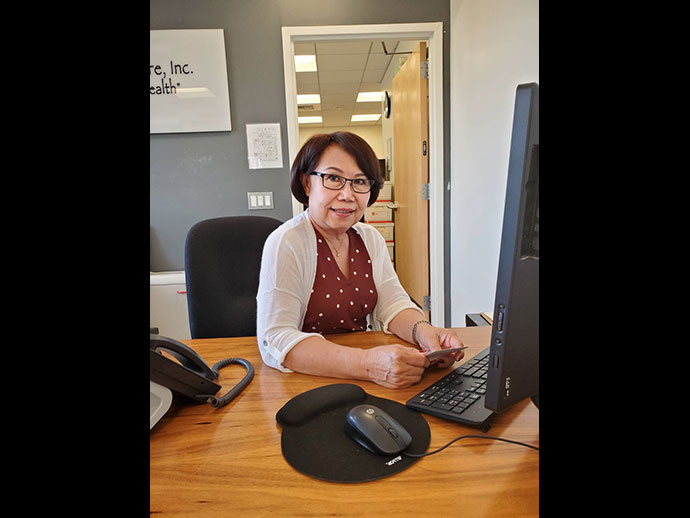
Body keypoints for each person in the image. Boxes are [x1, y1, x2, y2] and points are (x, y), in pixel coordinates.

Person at [256, 131, 464, 388]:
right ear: (307, 183)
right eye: (333, 178)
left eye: (360, 181)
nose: (347, 194)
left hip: (363, 380)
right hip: (306, 381)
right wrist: (368, 364)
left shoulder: (369, 238)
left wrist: (426, 332)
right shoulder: (287, 241)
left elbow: (393, 303)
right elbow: (276, 338)